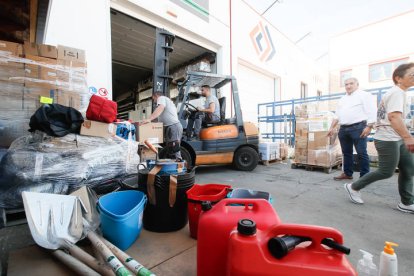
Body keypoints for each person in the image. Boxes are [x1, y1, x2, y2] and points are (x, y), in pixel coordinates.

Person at [344, 63, 414, 213]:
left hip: (397, 137)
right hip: (388, 138)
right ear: (398, 78)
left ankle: (407, 202)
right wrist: (408, 137)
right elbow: (393, 117)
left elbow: (395, 117)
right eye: (412, 75)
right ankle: (353, 187)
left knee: (408, 168)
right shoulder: (397, 92)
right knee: (386, 171)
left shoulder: (399, 93)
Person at [328, 77, 376, 180]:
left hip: (358, 128)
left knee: (361, 152)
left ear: (357, 84)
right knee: (346, 153)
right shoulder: (342, 99)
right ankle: (347, 173)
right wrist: (331, 127)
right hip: (343, 129)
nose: (348, 86)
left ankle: (364, 176)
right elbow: (337, 115)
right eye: (346, 84)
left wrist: (369, 127)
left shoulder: (364, 95)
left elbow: (372, 111)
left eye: (351, 83)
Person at [140, 91, 183, 160]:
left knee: (174, 147)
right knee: (170, 148)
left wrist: (149, 119)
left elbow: (160, 107)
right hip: (170, 126)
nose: (154, 101)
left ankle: (179, 165)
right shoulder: (167, 101)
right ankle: (174, 165)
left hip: (173, 126)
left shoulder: (162, 98)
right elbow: (160, 116)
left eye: (153, 99)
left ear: (156, 96)